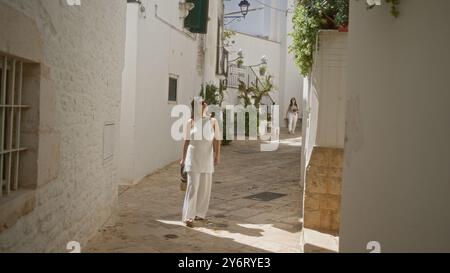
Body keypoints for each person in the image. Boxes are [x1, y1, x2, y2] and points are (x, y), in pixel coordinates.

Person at [180, 98, 221, 228]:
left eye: (204, 103)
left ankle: (200, 213)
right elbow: (186, 141)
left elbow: (217, 140)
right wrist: (183, 158)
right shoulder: (190, 122)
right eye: (201, 103)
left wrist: (217, 155)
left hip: (207, 158)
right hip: (193, 158)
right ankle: (188, 216)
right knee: (193, 187)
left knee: (205, 188)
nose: (204, 104)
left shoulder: (213, 121)